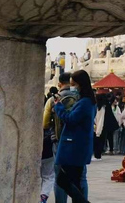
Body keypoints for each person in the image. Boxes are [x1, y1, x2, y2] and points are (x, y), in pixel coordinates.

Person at [52, 70, 96, 203]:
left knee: (63, 179)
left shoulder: (85, 103)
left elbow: (70, 119)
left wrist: (59, 107)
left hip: (74, 146)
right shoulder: (87, 101)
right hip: (78, 145)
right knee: (75, 181)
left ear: (80, 84)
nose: (73, 88)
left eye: (74, 84)